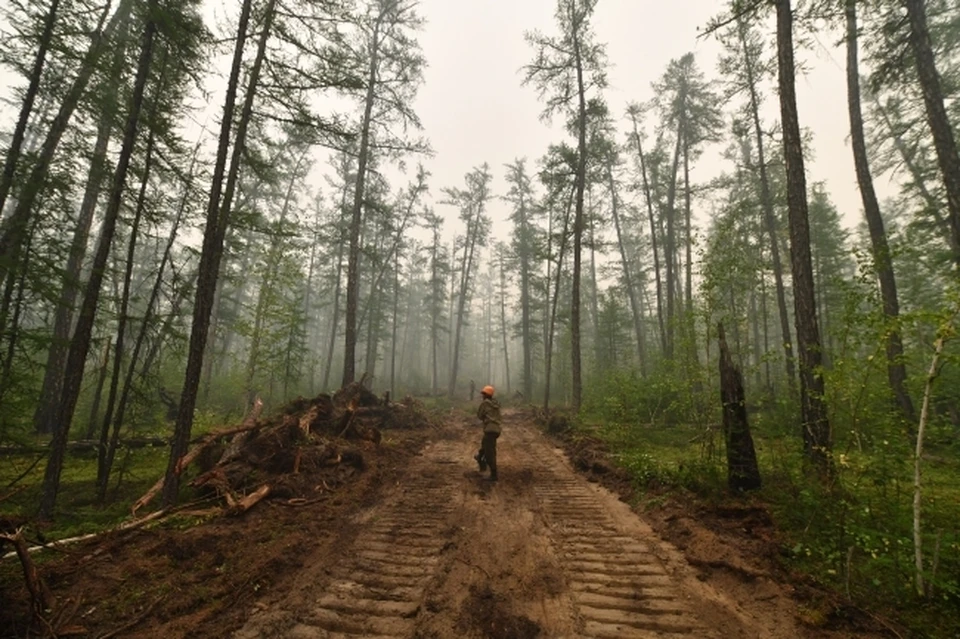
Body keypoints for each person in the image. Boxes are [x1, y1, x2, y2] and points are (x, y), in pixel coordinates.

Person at [474, 385, 501, 481]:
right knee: (485, 446)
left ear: (485, 395)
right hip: (497, 429)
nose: (482, 396)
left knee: (489, 452)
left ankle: (493, 474)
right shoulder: (496, 404)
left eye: (483, 394)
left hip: (489, 429)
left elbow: (480, 415)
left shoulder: (485, 403)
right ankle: (481, 460)